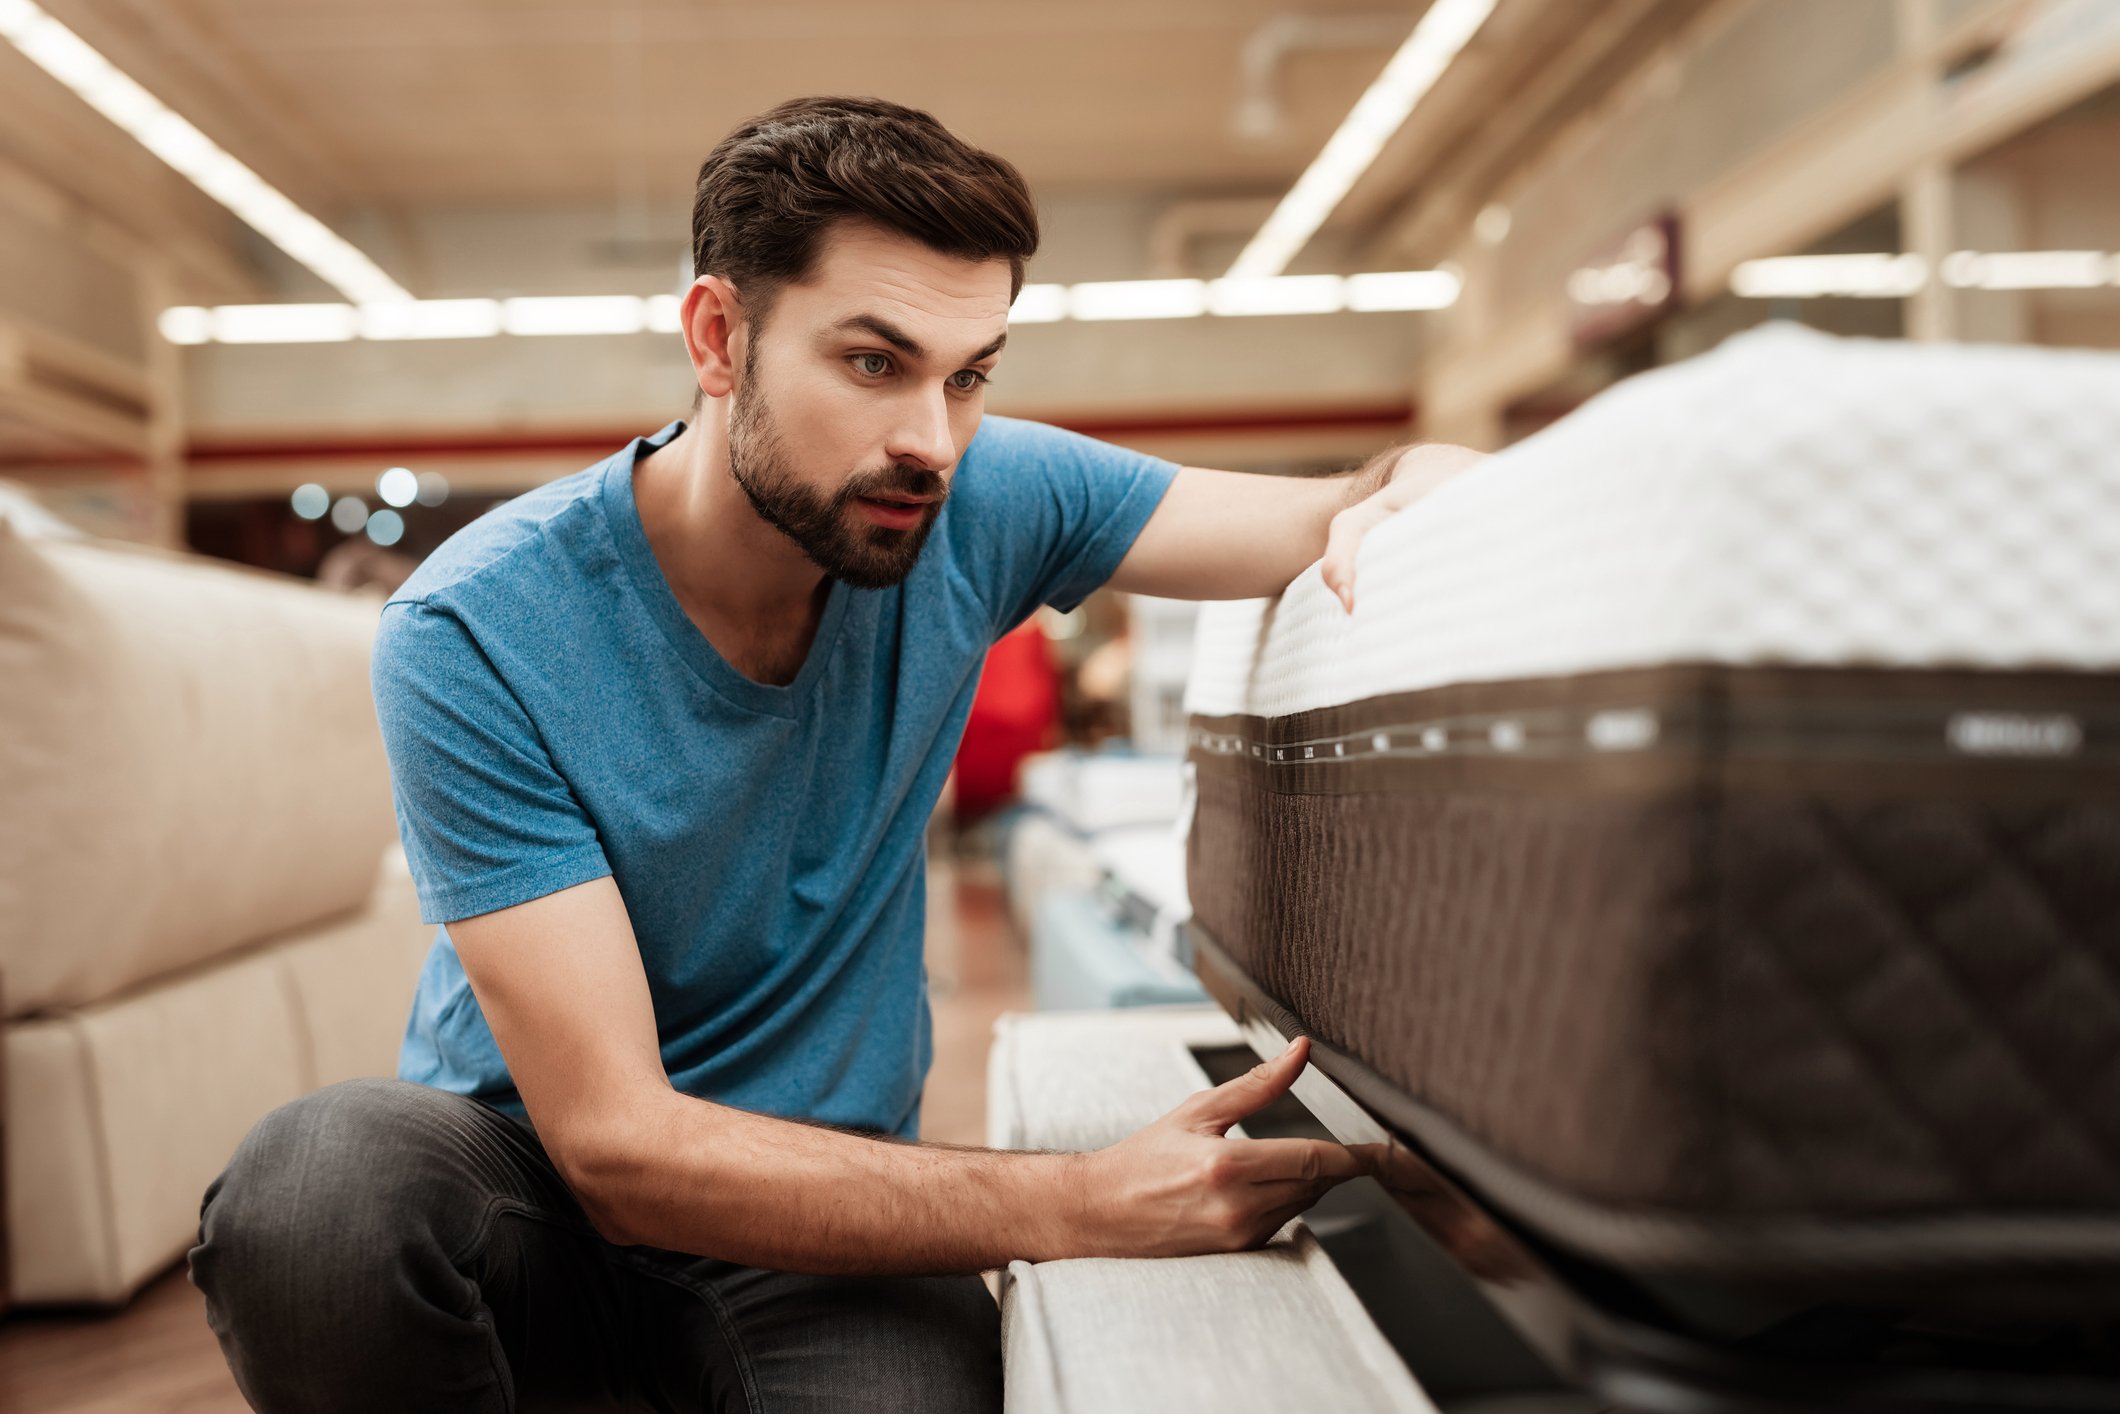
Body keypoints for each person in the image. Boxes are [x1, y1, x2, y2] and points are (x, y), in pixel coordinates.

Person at [188, 95, 1480, 1413]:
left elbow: (1342, 502)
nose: (931, 436)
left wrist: (1441, 477)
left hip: (827, 1226)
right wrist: (1081, 1201)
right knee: (318, 1193)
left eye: (970, 373)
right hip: (537, 1213)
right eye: (875, 362)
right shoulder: (478, 628)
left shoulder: (979, 499)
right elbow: (618, 1144)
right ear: (717, 337)